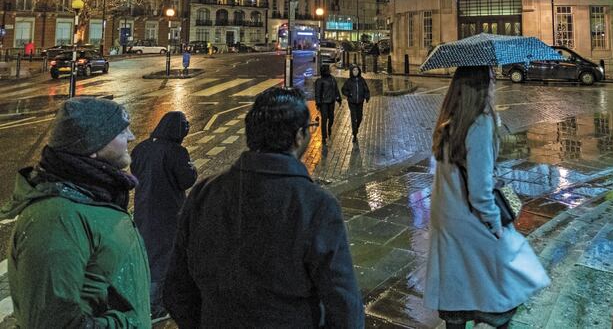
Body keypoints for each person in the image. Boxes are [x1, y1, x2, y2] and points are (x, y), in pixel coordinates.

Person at [164, 86, 364, 328]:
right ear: (299, 136)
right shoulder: (317, 205)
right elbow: (344, 307)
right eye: (311, 127)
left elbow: (176, 289)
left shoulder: (204, 193)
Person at [0, 97, 149, 327]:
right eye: (120, 131)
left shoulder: (94, 196)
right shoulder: (57, 218)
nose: (131, 136)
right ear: (91, 148)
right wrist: (127, 324)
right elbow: (52, 322)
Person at [424, 66, 549, 328]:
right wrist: (495, 223)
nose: (495, 83)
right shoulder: (479, 122)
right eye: (491, 78)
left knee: (456, 297)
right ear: (480, 85)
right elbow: (480, 191)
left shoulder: (448, 119)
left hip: (446, 219)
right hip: (470, 218)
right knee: (505, 285)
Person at [131, 111, 197, 323]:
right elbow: (187, 179)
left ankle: (143, 298)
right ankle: (155, 307)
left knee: (148, 254)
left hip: (143, 209)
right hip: (168, 212)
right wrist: (192, 168)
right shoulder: (176, 151)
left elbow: (134, 172)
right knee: (164, 258)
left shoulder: (141, 148)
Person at [341, 64, 370, 143]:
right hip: (352, 102)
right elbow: (343, 90)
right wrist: (349, 94)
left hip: (360, 102)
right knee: (354, 118)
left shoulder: (362, 80)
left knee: (360, 117)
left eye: (357, 70)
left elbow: (366, 89)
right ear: (351, 71)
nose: (355, 72)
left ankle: (356, 129)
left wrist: (366, 96)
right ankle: (354, 134)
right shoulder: (349, 81)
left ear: (359, 71)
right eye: (354, 70)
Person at [314, 63, 341, 145]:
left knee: (331, 118)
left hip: (331, 102)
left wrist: (338, 98)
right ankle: (324, 137)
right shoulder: (319, 81)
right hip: (323, 103)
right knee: (324, 119)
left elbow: (336, 89)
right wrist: (318, 103)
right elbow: (317, 93)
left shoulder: (332, 79)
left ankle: (329, 128)